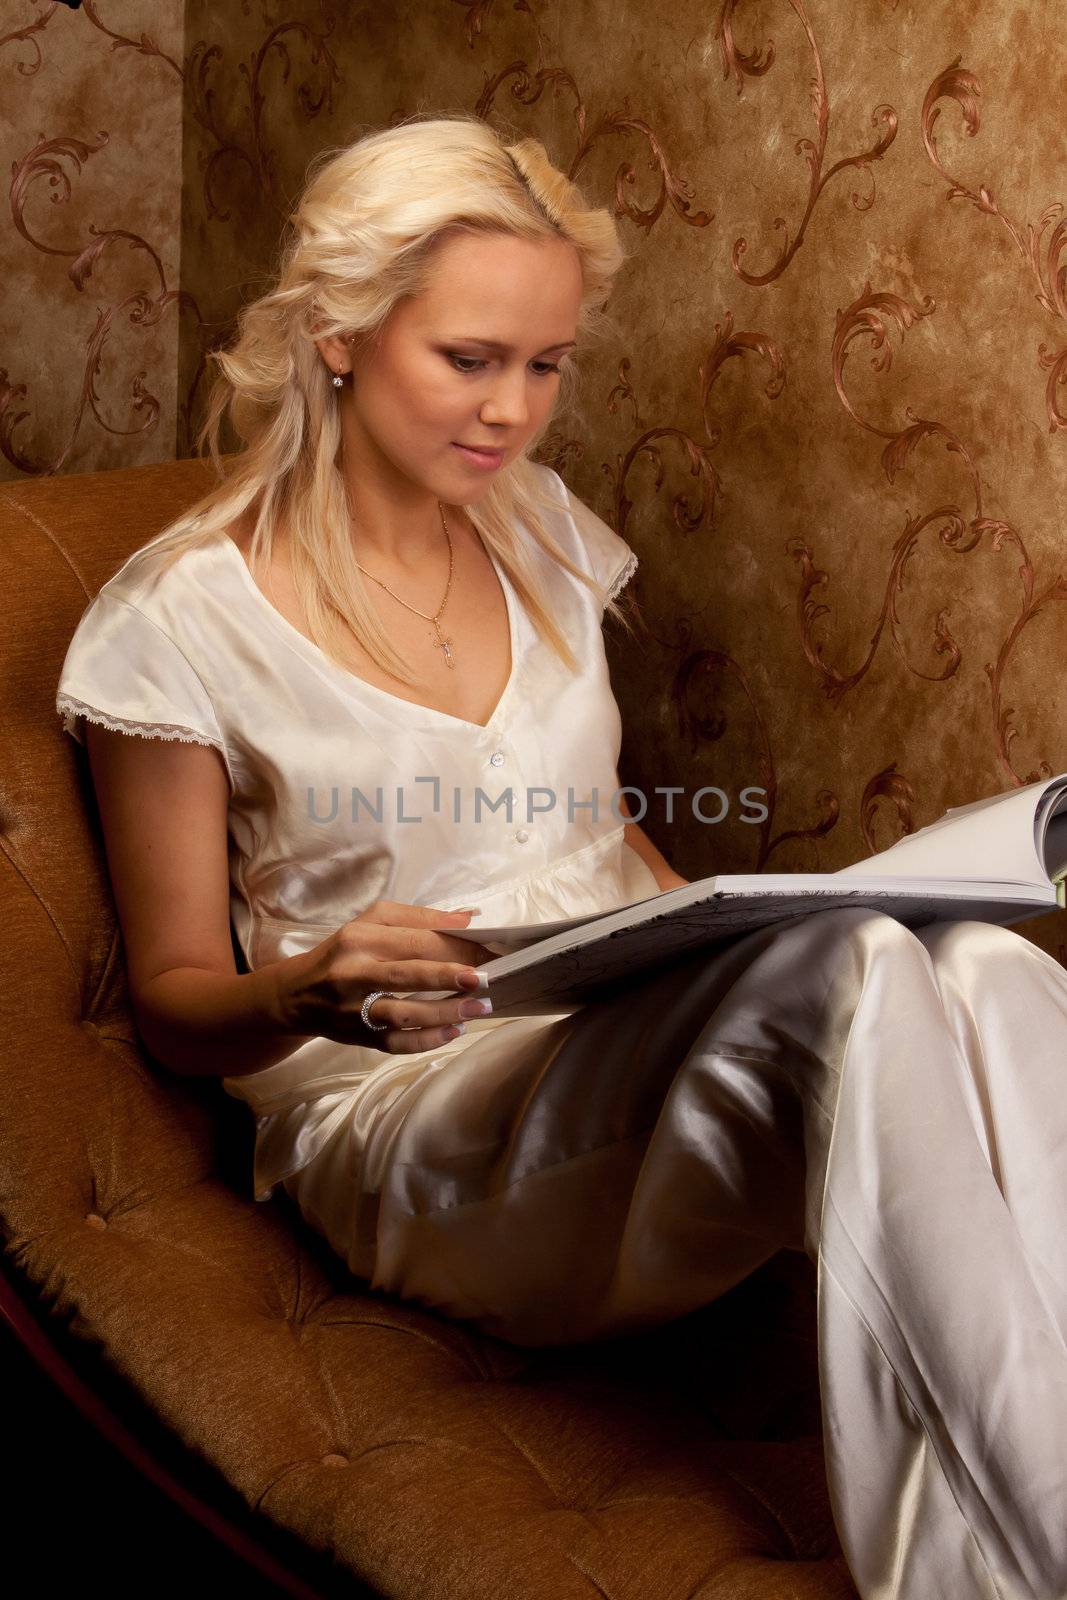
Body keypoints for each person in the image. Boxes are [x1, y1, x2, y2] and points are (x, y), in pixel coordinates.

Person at [55, 113, 1067, 1600]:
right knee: (859, 972)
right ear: (338, 334)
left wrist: (719, 928)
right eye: (470, 359)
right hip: (411, 1114)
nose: (513, 412)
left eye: (546, 365)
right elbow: (171, 998)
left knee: (973, 957)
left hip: (611, 1034)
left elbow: (593, 831)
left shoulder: (537, 532)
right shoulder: (178, 622)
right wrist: (311, 986)